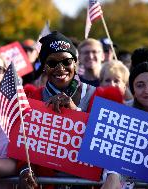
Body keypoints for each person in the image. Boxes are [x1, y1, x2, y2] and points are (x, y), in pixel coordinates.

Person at [22, 31, 123, 189]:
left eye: (67, 61)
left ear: (75, 63)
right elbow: (23, 147)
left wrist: (76, 113)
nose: (61, 68)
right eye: (52, 63)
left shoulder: (102, 97)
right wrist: (25, 171)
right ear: (43, 67)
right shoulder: (31, 98)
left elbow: (112, 144)